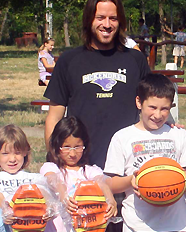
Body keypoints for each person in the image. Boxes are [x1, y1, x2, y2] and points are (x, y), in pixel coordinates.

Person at [43, 0, 149, 170]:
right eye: (100, 17)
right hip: (82, 169)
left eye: (113, 18)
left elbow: (152, 105)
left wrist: (169, 124)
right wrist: (57, 160)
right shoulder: (69, 61)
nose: (107, 24)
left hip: (128, 170)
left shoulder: (136, 60)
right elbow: (54, 117)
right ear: (89, 19)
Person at [104, 74, 186, 232]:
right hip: (138, 227)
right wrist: (131, 181)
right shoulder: (122, 137)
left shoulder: (179, 134)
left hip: (177, 225)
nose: (158, 115)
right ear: (139, 102)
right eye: (152, 107)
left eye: (164, 109)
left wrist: (182, 181)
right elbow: (109, 183)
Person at [41, 116, 118, 232]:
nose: (72, 153)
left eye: (77, 147)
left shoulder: (90, 171)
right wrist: (63, 196)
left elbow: (102, 182)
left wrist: (110, 199)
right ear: (56, 146)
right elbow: (53, 180)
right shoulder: (51, 168)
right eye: (66, 147)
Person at [0, 125, 47, 223]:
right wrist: (5, 210)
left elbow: (46, 193)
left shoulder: (34, 178)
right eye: (5, 153)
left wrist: (49, 208)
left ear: (25, 151)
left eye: (17, 153)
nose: (12, 159)